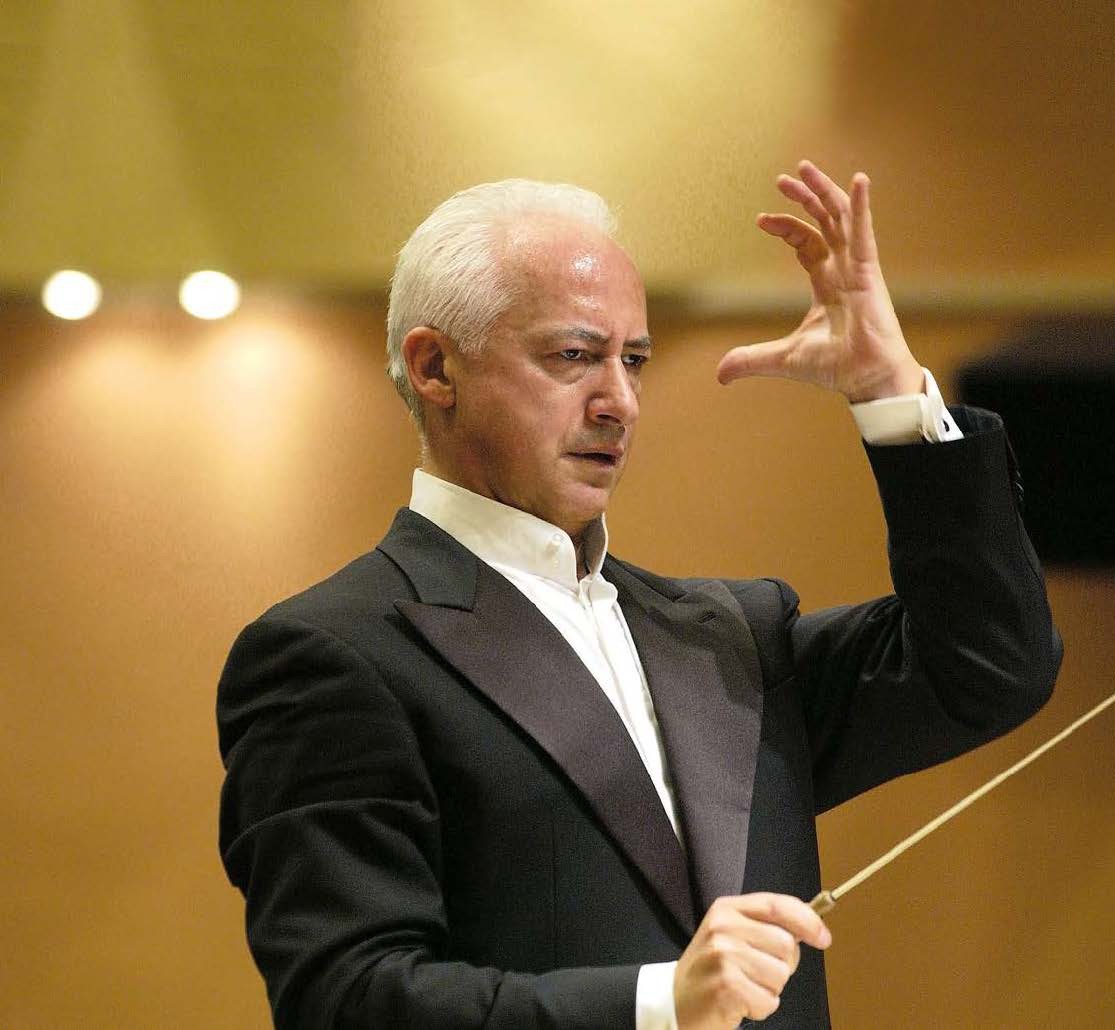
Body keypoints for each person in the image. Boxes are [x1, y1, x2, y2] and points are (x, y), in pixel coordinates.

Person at [217, 160, 1062, 1029]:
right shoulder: (335, 654)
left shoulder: (730, 640)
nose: (619, 401)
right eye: (575, 356)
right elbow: (345, 1002)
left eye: (635, 360)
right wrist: (659, 1003)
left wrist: (890, 392)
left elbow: (992, 664)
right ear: (435, 368)